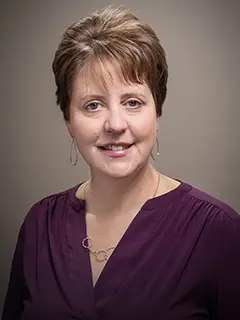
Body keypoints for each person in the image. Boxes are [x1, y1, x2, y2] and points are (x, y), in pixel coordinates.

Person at [2, 6, 240, 320]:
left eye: (132, 102)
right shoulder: (39, 224)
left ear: (157, 112)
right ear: (68, 121)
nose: (115, 124)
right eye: (93, 104)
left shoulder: (217, 230)